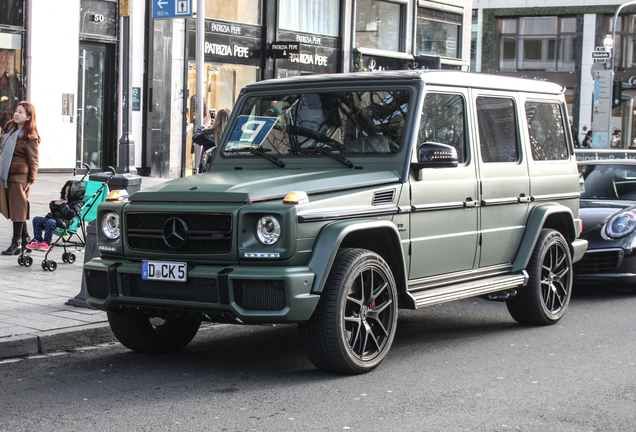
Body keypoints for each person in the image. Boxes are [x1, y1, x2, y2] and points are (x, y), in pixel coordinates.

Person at [0, 101, 40, 255]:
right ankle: (25, 239)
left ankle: (15, 243)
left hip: (20, 177)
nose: (16, 114)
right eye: (16, 111)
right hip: (7, 174)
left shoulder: (30, 136)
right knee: (18, 208)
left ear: (29, 117)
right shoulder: (10, 129)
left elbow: (34, 160)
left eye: (21, 112)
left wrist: (31, 180)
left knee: (18, 208)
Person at [25, 180, 85, 251]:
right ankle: (38, 241)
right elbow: (53, 210)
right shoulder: (63, 201)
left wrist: (63, 205)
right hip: (54, 221)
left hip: (64, 224)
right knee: (36, 219)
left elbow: (70, 214)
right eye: (65, 193)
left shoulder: (78, 203)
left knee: (51, 221)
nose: (65, 195)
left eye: (68, 193)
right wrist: (55, 203)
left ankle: (46, 243)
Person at [192, 108, 231, 173]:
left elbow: (196, 138)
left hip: (208, 169)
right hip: (226, 169)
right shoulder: (233, 134)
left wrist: (205, 125)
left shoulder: (208, 133)